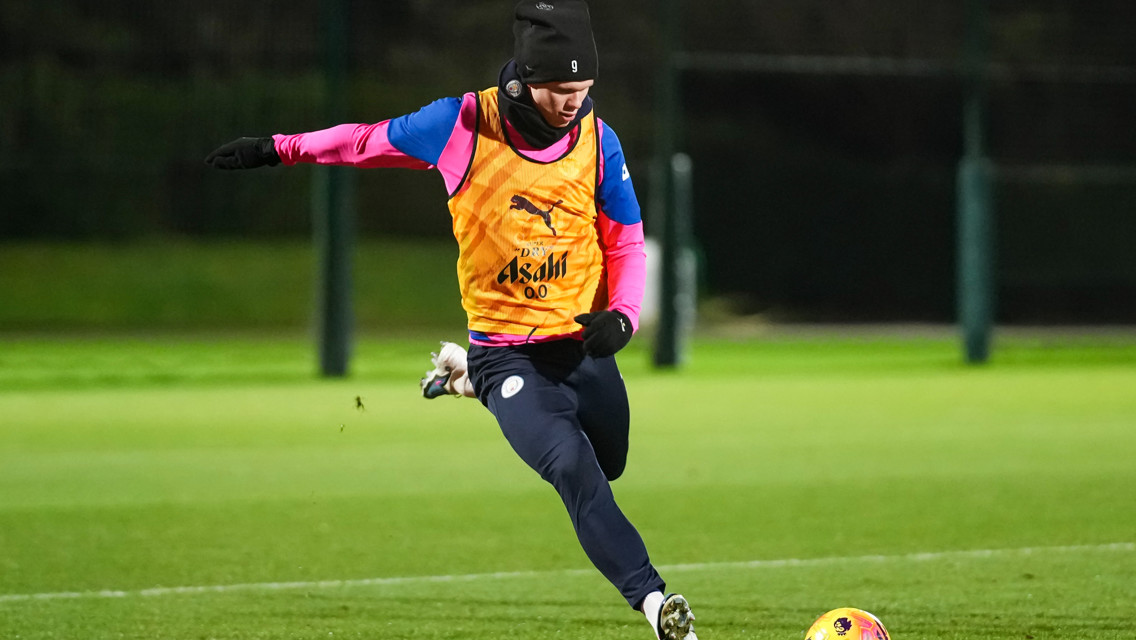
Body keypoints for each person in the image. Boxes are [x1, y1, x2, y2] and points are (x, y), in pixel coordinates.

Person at [205, 3, 698, 638]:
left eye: (584, 89)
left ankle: (465, 380)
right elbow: (361, 142)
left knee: (612, 460)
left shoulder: (599, 141)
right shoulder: (461, 124)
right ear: (526, 79)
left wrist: (623, 319)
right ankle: (657, 604)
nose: (575, 103)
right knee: (572, 469)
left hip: (580, 344)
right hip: (508, 351)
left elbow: (626, 239)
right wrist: (276, 149)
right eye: (561, 90)